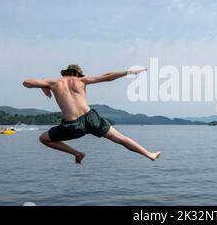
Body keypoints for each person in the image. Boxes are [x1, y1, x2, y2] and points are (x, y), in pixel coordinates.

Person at [22, 64, 161, 164]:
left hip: (73, 125)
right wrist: (129, 72)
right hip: (91, 118)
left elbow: (26, 83)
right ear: (77, 74)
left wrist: (44, 85)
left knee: (43, 138)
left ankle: (77, 153)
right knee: (121, 138)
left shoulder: (53, 82)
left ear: (64, 73)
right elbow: (107, 77)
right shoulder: (82, 80)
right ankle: (149, 154)